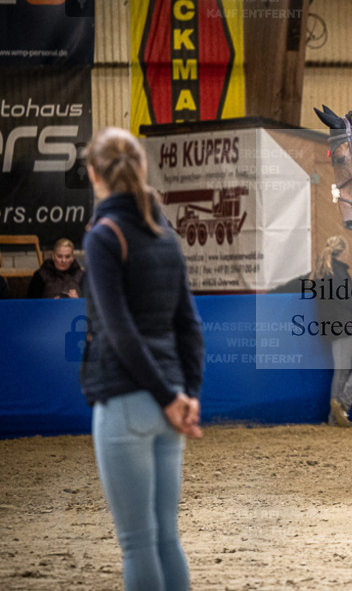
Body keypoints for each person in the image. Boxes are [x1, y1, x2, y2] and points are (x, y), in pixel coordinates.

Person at [80, 127, 204, 591]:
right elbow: (189, 326)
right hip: (168, 399)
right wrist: (186, 395)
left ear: (94, 173)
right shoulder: (164, 233)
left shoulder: (103, 236)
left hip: (128, 398)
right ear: (141, 167)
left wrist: (170, 396)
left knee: (136, 543)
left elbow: (119, 332)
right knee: (166, 538)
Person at [312, 235, 352, 428]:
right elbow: (347, 298)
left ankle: (338, 409)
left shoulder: (324, 271)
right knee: (345, 369)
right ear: (342, 252)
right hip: (343, 324)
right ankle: (338, 409)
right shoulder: (338, 272)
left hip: (336, 324)